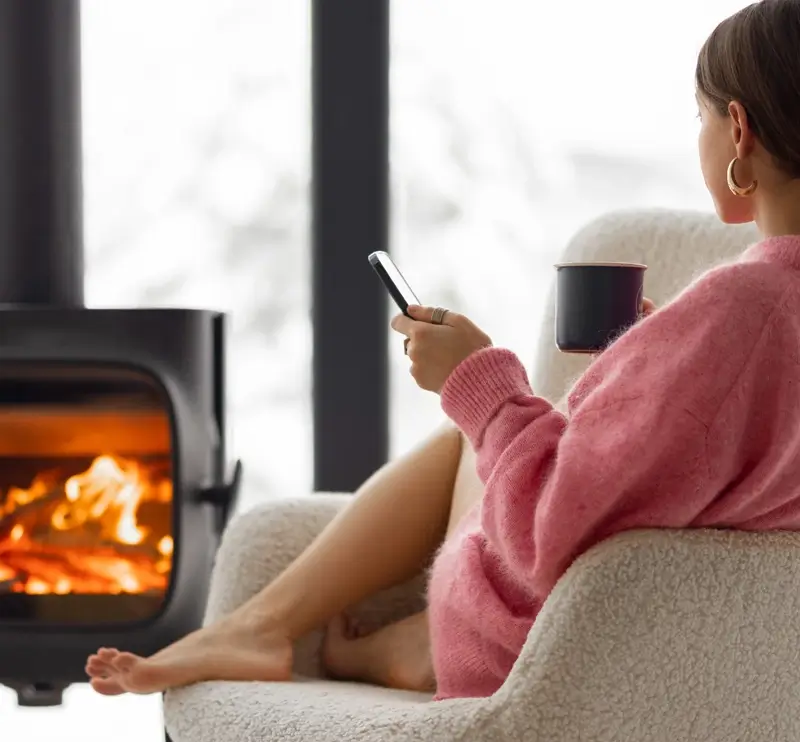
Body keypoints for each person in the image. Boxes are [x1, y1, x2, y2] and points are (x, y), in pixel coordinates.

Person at [87, 0, 800, 702]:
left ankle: (307, 632)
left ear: (738, 130)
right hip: (715, 668)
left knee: (469, 431)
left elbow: (546, 527)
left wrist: (476, 380)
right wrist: (650, 364)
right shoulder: (756, 314)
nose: (699, 136)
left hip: (567, 649)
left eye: (700, 117)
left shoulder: (739, 306)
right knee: (486, 432)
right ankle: (360, 638)